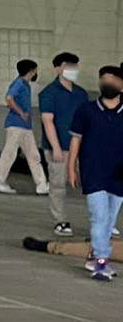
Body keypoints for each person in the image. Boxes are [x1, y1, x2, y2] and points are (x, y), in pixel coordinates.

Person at [68, 67, 123, 281]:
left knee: (109, 220)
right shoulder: (86, 110)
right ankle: (101, 261)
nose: (107, 83)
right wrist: (72, 167)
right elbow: (76, 140)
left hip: (119, 175)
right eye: (104, 80)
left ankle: (94, 253)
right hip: (94, 173)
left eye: (112, 80)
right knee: (99, 217)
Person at [38, 52, 86, 237]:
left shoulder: (81, 94)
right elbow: (48, 121)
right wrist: (56, 147)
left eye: (75, 67)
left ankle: (100, 221)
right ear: (58, 68)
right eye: (68, 66)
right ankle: (60, 220)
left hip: (80, 146)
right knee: (58, 184)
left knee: (91, 183)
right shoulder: (49, 93)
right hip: (59, 147)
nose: (72, 71)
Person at [0, 58, 49, 197]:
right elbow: (9, 98)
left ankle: (41, 184)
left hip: (25, 127)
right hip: (16, 125)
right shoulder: (19, 83)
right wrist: (21, 112)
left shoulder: (25, 84)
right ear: (31, 71)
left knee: (33, 155)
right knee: (10, 153)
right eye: (35, 70)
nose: (36, 72)